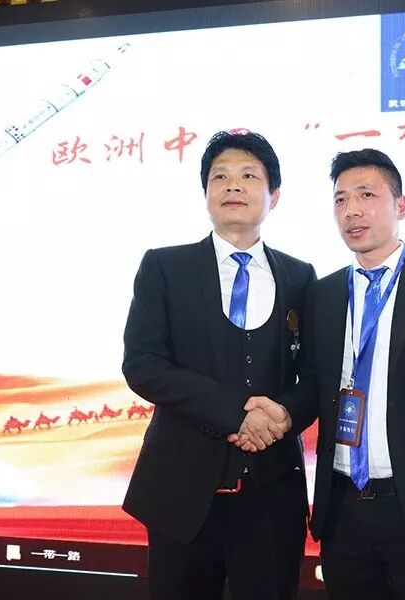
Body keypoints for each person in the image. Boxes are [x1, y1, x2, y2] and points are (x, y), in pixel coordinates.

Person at [236, 148, 405, 599]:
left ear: (401, 205)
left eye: (366, 195)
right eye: (340, 200)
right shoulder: (324, 294)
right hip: (344, 513)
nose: (351, 210)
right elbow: (315, 386)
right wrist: (283, 413)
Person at [121, 131, 316, 600]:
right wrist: (236, 415)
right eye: (220, 177)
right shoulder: (165, 267)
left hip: (272, 497)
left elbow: (316, 376)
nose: (233, 185)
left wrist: (283, 415)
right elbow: (143, 364)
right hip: (181, 493)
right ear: (205, 192)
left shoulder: (300, 276)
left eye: (249, 176)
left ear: (274, 195)